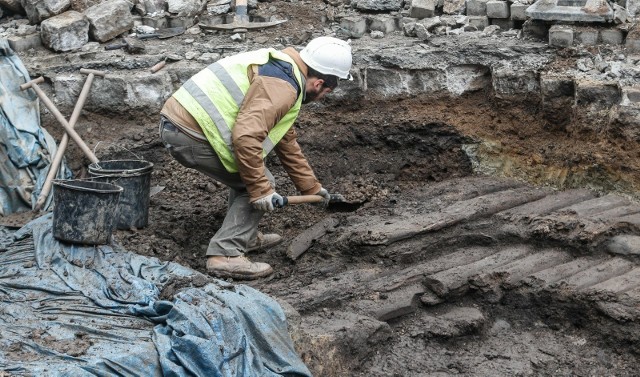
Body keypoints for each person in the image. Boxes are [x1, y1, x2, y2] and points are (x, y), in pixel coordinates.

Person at [158, 36, 353, 280]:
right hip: (190, 133)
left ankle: (244, 237)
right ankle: (225, 254)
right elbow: (247, 137)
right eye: (327, 92)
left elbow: (286, 141)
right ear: (320, 83)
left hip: (183, 125)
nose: (323, 96)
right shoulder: (282, 87)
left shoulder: (284, 70)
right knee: (261, 182)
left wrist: (311, 188)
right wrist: (261, 190)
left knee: (246, 177)